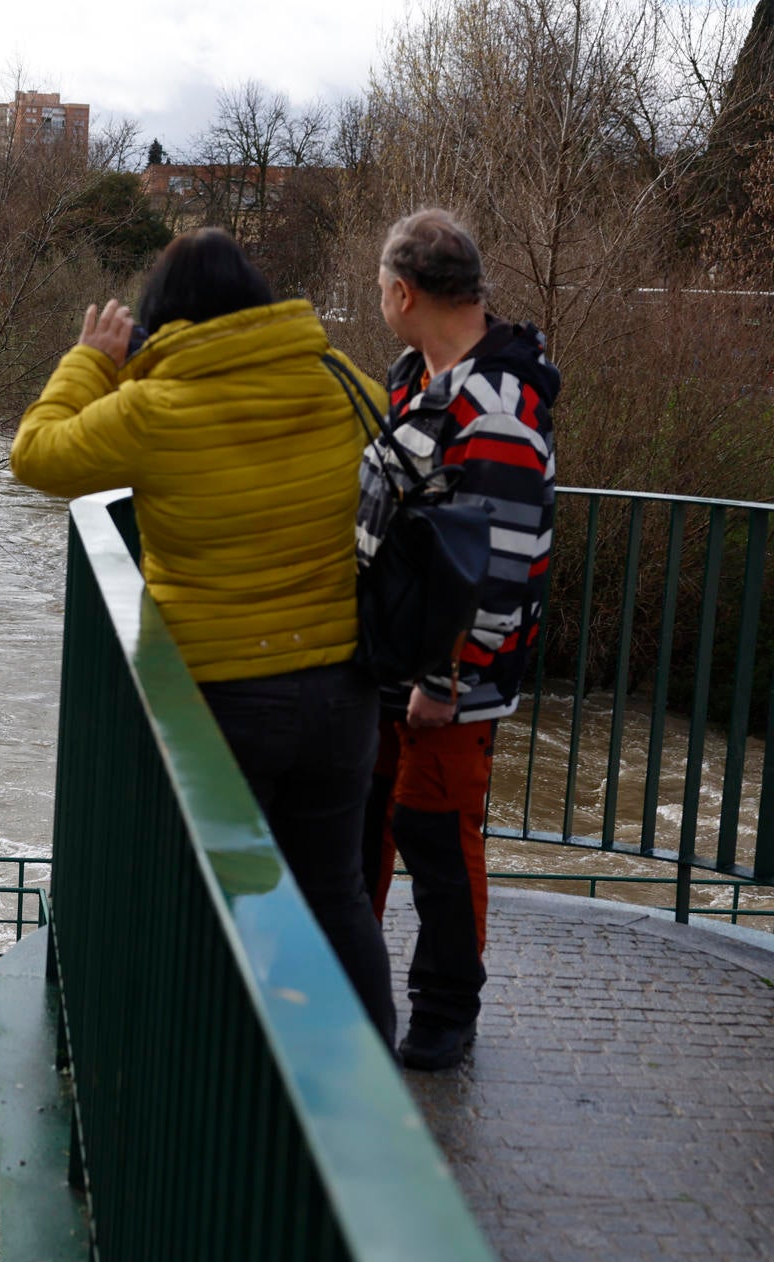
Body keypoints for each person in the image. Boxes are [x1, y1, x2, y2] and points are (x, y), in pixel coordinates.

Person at [11, 228, 397, 1044]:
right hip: (341, 688)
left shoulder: (153, 407)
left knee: (219, 896)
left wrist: (91, 359)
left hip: (221, 701)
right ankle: (368, 1071)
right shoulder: (340, 382)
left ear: (162, 317)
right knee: (334, 890)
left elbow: (36, 455)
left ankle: (235, 1071)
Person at [357, 209, 559, 1071]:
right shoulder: (418, 376)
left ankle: (445, 1010)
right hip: (392, 659)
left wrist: (446, 679)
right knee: (369, 820)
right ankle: (349, 984)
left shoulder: (501, 404)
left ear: (403, 293)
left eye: (378, 290)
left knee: (435, 831)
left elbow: (500, 559)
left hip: (449, 679)